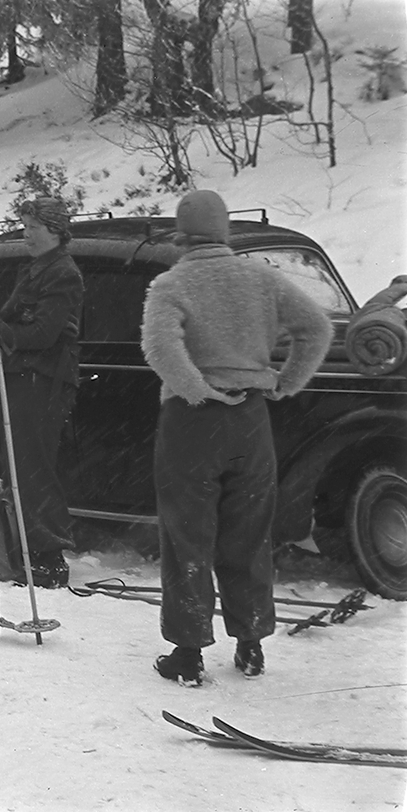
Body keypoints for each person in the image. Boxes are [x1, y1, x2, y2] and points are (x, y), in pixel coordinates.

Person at [140, 190, 332, 686]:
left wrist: (198, 390)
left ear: (182, 235)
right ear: (226, 231)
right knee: (249, 533)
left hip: (191, 422)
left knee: (188, 534)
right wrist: (285, 382)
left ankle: (188, 651)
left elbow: (160, 347)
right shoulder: (263, 279)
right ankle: (250, 643)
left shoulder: (171, 283)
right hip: (251, 419)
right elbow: (316, 328)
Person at [0, 197, 83, 588]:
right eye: (25, 227)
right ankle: (29, 546)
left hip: (44, 381)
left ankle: (48, 554)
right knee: (21, 466)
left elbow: (43, 334)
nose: (26, 235)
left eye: (32, 228)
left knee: (34, 467)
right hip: (27, 379)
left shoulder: (62, 273)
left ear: (54, 231)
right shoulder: (39, 269)